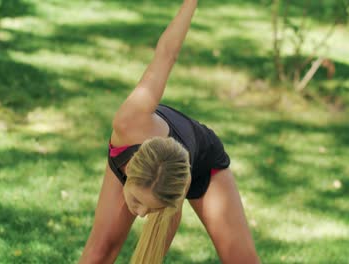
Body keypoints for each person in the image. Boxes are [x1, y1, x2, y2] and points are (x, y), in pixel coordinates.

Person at [79, 0, 260, 263]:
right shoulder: (131, 121)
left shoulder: (173, 187)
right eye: (138, 201)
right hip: (154, 158)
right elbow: (166, 53)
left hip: (202, 161)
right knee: (100, 250)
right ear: (130, 175)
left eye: (149, 208)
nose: (140, 214)